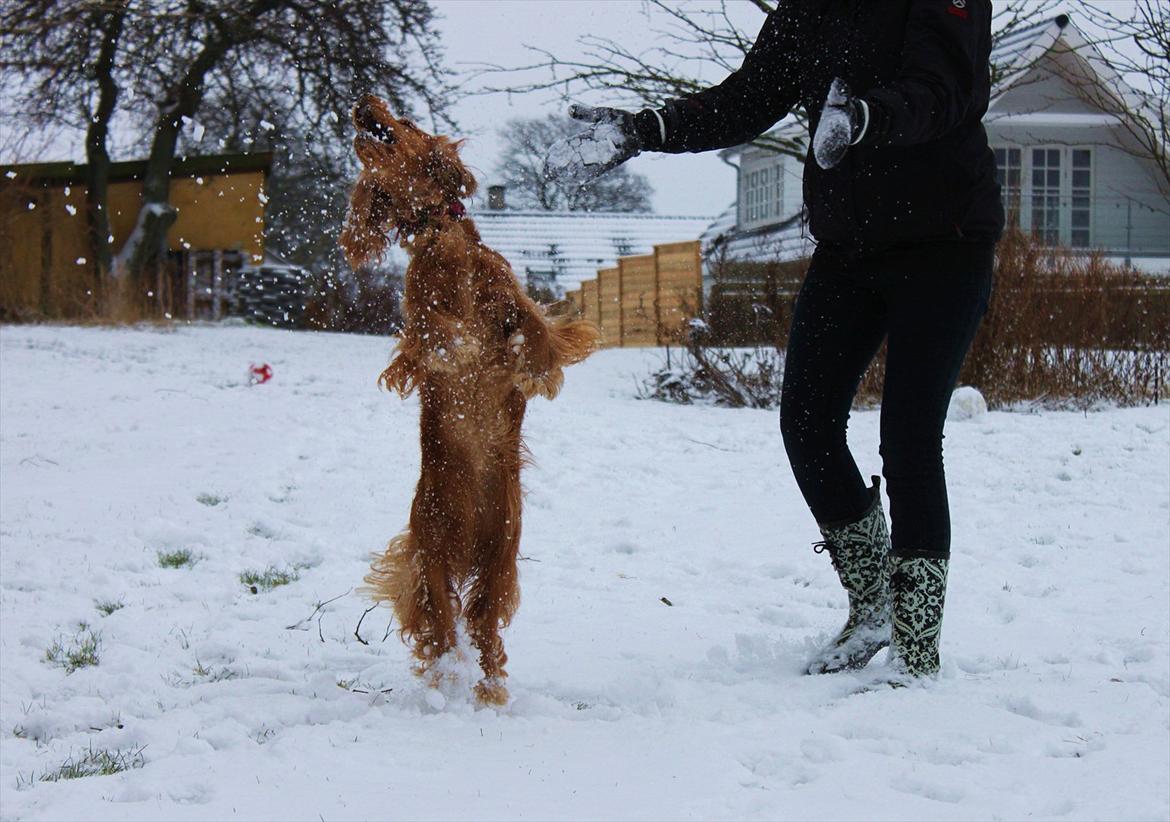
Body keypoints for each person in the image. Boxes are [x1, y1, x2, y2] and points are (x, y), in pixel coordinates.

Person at [545, 0, 1004, 680]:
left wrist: (865, 118)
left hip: (945, 240)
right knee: (807, 423)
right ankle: (873, 604)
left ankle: (915, 645)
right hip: (850, 246)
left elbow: (945, 91)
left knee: (908, 439)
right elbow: (746, 99)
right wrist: (646, 129)